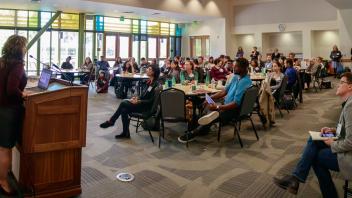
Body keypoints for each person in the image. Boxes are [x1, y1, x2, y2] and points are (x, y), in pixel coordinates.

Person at [273, 72, 352, 198]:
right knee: (314, 139)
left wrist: (333, 143)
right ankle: (296, 178)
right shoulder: (348, 104)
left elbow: (350, 142)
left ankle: (299, 180)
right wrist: (332, 130)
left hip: (349, 157)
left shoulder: (350, 106)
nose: (338, 85)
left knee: (315, 157)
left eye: (342, 82)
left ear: (350, 87)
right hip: (344, 145)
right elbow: (347, 131)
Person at [178, 58, 252, 143]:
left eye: (236, 66)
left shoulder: (244, 81)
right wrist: (210, 98)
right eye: (233, 66)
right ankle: (202, 128)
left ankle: (193, 133)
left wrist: (217, 107)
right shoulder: (236, 77)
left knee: (213, 114)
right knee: (205, 103)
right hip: (226, 104)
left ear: (243, 68)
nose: (233, 68)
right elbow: (224, 91)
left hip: (234, 110)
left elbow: (236, 103)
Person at [0, 35, 28, 196]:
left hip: (1, 108)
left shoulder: (2, 61)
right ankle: (3, 182)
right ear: (19, 48)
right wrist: (23, 94)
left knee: (1, 147)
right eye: (24, 46)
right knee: (5, 148)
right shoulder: (17, 65)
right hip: (8, 111)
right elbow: (11, 89)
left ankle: (3, 175)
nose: (26, 49)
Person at [99, 65, 160, 139]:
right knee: (124, 110)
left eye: (149, 69)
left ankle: (111, 121)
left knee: (124, 102)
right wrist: (136, 98)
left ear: (154, 72)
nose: (147, 70)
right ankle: (125, 133)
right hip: (142, 104)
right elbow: (145, 96)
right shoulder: (149, 82)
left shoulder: (155, 85)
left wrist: (139, 101)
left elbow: (151, 101)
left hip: (146, 108)